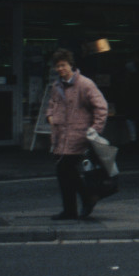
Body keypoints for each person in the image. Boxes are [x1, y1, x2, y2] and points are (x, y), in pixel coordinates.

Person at [45, 48, 109, 220]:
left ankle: (85, 200)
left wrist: (94, 130)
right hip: (60, 136)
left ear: (71, 65)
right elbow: (51, 105)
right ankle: (73, 208)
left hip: (79, 135)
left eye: (63, 65)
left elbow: (101, 107)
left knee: (65, 168)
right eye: (57, 66)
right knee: (64, 172)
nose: (60, 69)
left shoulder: (85, 84)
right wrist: (50, 116)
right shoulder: (56, 86)